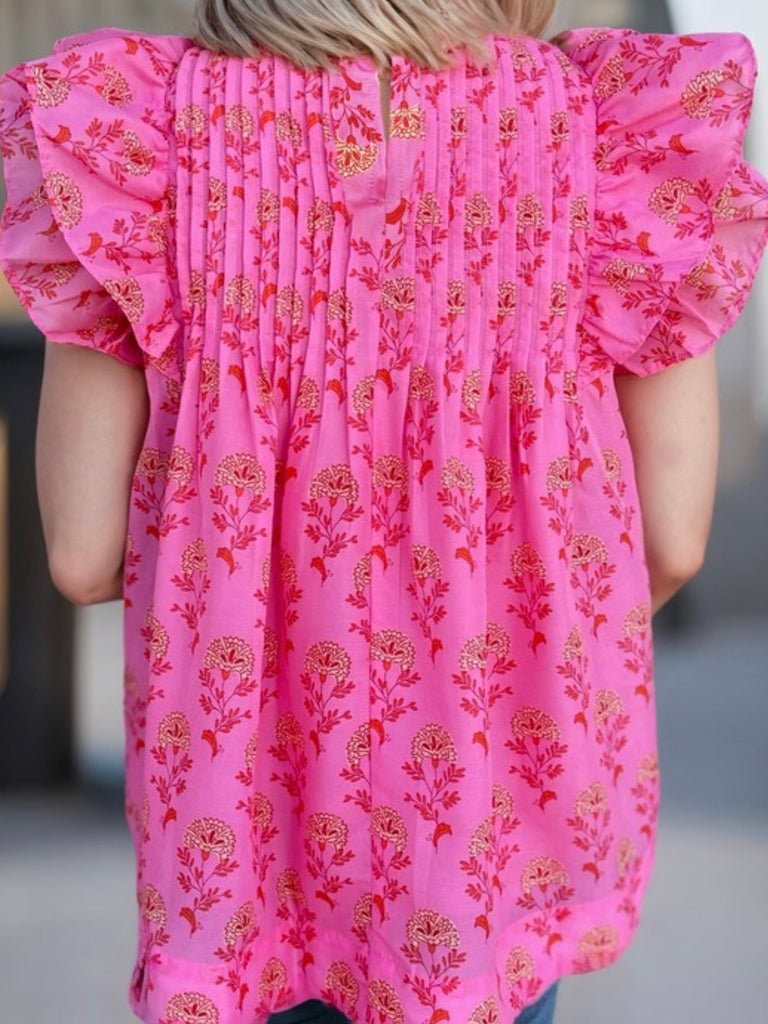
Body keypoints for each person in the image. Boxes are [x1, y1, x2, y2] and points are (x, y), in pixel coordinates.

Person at [1, 1, 767, 1021]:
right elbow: (671, 538)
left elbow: (83, 554)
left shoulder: (145, 130)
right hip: (488, 851)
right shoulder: (602, 130)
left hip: (240, 854)